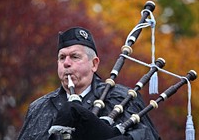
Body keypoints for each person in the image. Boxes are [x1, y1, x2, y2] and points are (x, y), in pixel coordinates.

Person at [18, 27, 160, 140]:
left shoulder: (122, 98)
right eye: (62, 58)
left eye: (75, 57)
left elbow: (147, 136)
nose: (66, 63)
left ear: (94, 64)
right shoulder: (39, 107)